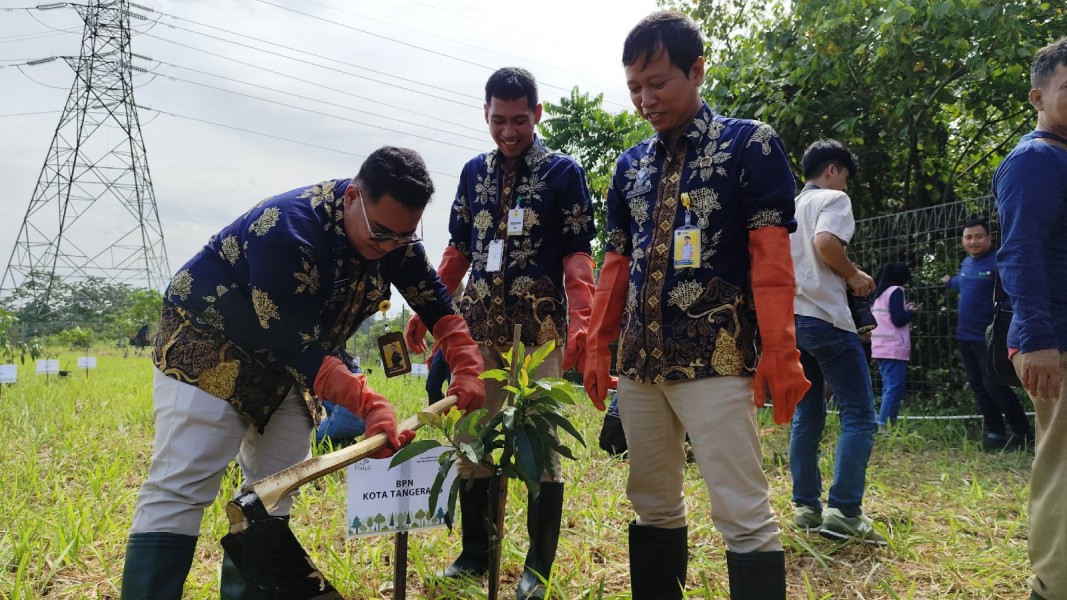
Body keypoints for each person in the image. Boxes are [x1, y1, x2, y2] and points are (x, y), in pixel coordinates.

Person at [119, 146, 486, 600]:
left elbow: (431, 296)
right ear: (353, 196)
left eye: (403, 236)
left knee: (270, 497)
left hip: (291, 368)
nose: (390, 246)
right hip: (211, 347)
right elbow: (292, 342)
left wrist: (466, 361)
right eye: (381, 234)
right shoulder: (287, 228)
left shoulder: (395, 237)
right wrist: (368, 403)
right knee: (183, 486)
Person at [582, 12, 809, 599]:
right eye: (634, 86)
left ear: (697, 70)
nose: (645, 98)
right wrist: (596, 341)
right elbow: (615, 264)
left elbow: (770, 258)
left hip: (718, 358)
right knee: (651, 503)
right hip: (639, 362)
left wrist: (780, 351)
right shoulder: (629, 165)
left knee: (742, 511)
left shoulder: (749, 144)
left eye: (658, 82)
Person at [404, 67, 595, 600]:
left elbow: (578, 253)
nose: (508, 130)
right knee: (472, 440)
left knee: (540, 444)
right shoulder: (472, 173)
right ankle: (476, 551)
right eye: (497, 120)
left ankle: (538, 566)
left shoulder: (563, 173)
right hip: (478, 326)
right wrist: (425, 307)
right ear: (485, 114)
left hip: (538, 334)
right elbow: (458, 249)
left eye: (518, 120)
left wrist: (582, 318)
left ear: (536, 114)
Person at [994, 35, 1067, 600]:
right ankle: (1053, 583)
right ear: (1037, 97)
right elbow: (1019, 251)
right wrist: (1038, 340)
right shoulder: (1036, 159)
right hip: (1056, 341)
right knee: (1062, 467)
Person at [789, 139, 887, 545]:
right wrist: (854, 276)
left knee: (806, 415)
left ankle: (806, 507)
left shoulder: (788, 206)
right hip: (827, 319)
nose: (846, 185)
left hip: (791, 322)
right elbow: (826, 244)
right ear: (832, 170)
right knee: (859, 415)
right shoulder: (833, 200)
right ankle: (845, 511)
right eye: (845, 176)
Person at [940, 217, 1033, 450]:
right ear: (962, 241)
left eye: (979, 236)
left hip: (988, 337)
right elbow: (964, 284)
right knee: (978, 387)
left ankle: (1023, 434)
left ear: (989, 238)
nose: (974, 241)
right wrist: (949, 281)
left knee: (996, 386)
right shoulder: (966, 264)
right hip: (965, 337)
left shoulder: (997, 263)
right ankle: (995, 434)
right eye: (968, 237)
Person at [870, 261, 920, 432]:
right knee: (894, 388)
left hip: (879, 346)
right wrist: (911, 312)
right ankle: (884, 426)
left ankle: (884, 424)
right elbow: (898, 319)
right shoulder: (896, 291)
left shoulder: (878, 295)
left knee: (888, 386)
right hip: (893, 347)